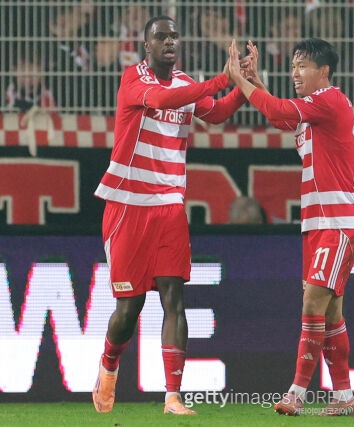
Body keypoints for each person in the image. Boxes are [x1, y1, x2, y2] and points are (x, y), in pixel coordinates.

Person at [92, 15, 248, 415]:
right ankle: (109, 363)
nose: (169, 42)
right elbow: (162, 102)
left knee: (174, 297)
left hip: (169, 205)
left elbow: (216, 113)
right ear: (146, 45)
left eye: (174, 36)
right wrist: (222, 78)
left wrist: (244, 86)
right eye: (161, 36)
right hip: (128, 203)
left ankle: (173, 396)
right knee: (129, 308)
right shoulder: (134, 79)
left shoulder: (185, 83)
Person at [227, 38, 354, 416]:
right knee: (331, 313)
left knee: (312, 302)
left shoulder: (331, 100)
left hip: (337, 221)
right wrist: (256, 81)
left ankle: (296, 394)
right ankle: (343, 397)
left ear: (324, 71)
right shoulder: (312, 110)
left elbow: (277, 109)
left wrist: (239, 80)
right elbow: (281, 116)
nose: (295, 73)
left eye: (303, 66)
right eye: (293, 66)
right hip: (317, 222)